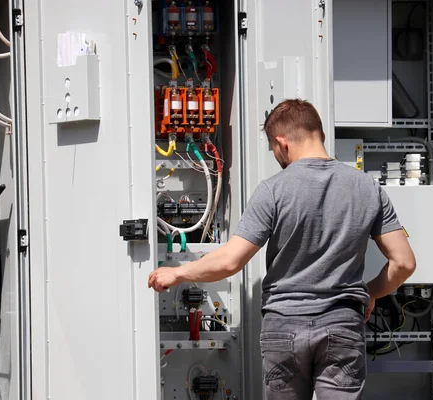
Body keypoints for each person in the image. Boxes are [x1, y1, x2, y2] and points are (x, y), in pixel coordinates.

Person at [148, 99, 416, 399]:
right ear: (322, 135)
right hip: (343, 323)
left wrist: (179, 273)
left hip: (284, 325)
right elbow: (403, 263)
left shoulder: (273, 190)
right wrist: (371, 293)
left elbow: (230, 261)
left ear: (281, 143)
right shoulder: (368, 188)